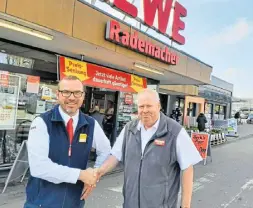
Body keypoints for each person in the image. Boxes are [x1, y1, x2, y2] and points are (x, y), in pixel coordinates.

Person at [83, 89, 202, 208]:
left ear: (158, 106)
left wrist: (185, 206)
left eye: (149, 106)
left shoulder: (175, 132)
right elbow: (115, 156)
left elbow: (187, 168)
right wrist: (98, 172)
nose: (145, 110)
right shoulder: (129, 129)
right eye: (141, 106)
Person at [24, 76, 111, 208]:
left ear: (83, 96)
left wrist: (94, 175)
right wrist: (81, 175)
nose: (71, 98)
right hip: (41, 203)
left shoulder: (91, 124)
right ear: (58, 94)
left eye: (77, 93)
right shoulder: (42, 122)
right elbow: (38, 167)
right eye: (66, 92)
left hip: (74, 202)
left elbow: (105, 150)